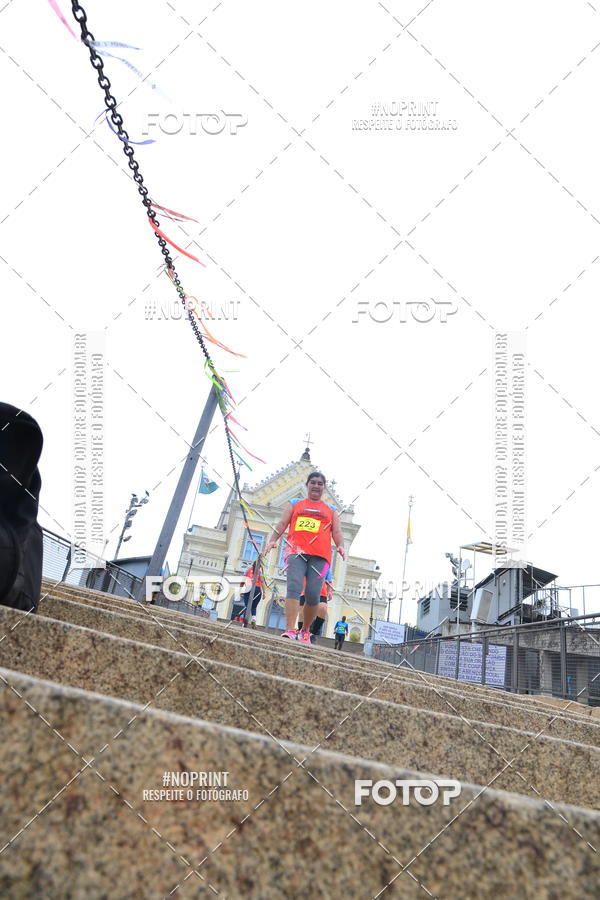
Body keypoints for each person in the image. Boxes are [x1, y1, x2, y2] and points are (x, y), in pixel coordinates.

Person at [264, 471, 345, 643]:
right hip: (296, 552)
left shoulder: (331, 510)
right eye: (313, 482)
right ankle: (290, 629)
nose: (316, 485)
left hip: (321, 557)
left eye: (320, 483)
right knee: (293, 588)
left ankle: (305, 630)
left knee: (314, 595)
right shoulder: (294, 504)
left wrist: (340, 546)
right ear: (307, 485)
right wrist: (272, 541)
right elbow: (282, 523)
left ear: (324, 487)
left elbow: (337, 531)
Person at [297, 564, 332, 644]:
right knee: (302, 612)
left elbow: (329, 580)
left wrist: (329, 591)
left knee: (323, 608)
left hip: (321, 589)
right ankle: (301, 632)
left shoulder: (325, 564)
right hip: (305, 587)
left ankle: (313, 634)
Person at [235, 559, 263, 628]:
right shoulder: (260, 571)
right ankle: (253, 619)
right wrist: (264, 592)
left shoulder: (248, 569)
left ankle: (245, 622)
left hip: (248, 588)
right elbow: (262, 581)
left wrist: (240, 590)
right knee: (254, 606)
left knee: (247, 606)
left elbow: (243, 580)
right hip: (257, 589)